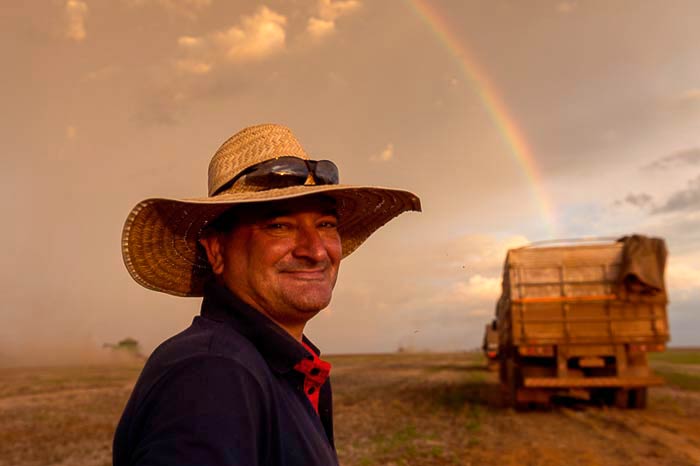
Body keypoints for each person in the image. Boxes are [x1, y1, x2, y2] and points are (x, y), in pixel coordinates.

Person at [113, 124, 421, 466]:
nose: (315, 251)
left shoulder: (277, 367)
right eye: (279, 226)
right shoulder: (212, 375)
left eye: (325, 225)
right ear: (216, 251)